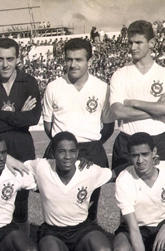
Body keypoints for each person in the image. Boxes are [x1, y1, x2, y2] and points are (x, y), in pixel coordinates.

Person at [26, 132, 113, 251]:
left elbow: (115, 174)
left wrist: (152, 163)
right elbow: (16, 165)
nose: (67, 156)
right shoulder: (42, 166)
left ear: (78, 153)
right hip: (53, 230)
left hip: (82, 229)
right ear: (53, 153)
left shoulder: (88, 170)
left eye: (72, 151)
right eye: (62, 151)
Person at [43, 38, 114, 222]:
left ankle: (88, 241)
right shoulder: (53, 87)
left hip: (91, 150)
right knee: (59, 204)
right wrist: (64, 146)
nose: (73, 64)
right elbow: (48, 126)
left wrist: (92, 144)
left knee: (88, 204)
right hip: (60, 150)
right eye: (69, 59)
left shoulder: (102, 88)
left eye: (79, 59)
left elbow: (107, 126)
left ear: (89, 61)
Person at [0, 38, 41, 235]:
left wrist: (0, 114)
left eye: (10, 59)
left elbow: (33, 117)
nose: (5, 64)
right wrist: (17, 116)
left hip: (22, 148)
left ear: (17, 59)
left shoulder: (29, 82)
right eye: (0, 59)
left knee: (21, 205)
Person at [110, 20, 165, 176]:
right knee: (127, 192)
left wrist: (134, 103)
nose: (133, 47)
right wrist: (156, 108)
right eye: (130, 43)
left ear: (151, 43)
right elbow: (118, 112)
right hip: (127, 141)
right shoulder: (119, 75)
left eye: (138, 42)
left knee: (162, 191)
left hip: (159, 140)